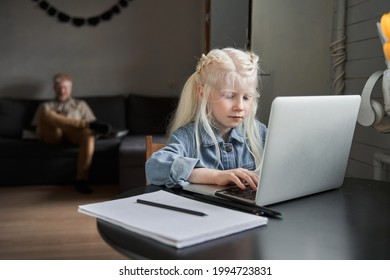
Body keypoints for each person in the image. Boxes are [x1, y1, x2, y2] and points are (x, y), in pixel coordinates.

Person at [145, 48, 267, 190]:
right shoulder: (188, 136)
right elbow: (155, 166)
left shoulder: (259, 132)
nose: (240, 106)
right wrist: (215, 176)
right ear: (203, 93)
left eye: (246, 97)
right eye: (229, 96)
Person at [32, 73, 112, 194]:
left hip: (74, 134)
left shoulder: (81, 104)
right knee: (48, 114)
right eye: (59, 88)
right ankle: (83, 124)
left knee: (88, 133)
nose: (62, 90)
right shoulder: (46, 106)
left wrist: (73, 125)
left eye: (65, 87)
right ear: (54, 88)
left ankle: (81, 180)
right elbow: (38, 129)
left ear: (71, 88)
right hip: (53, 135)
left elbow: (91, 127)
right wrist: (56, 122)